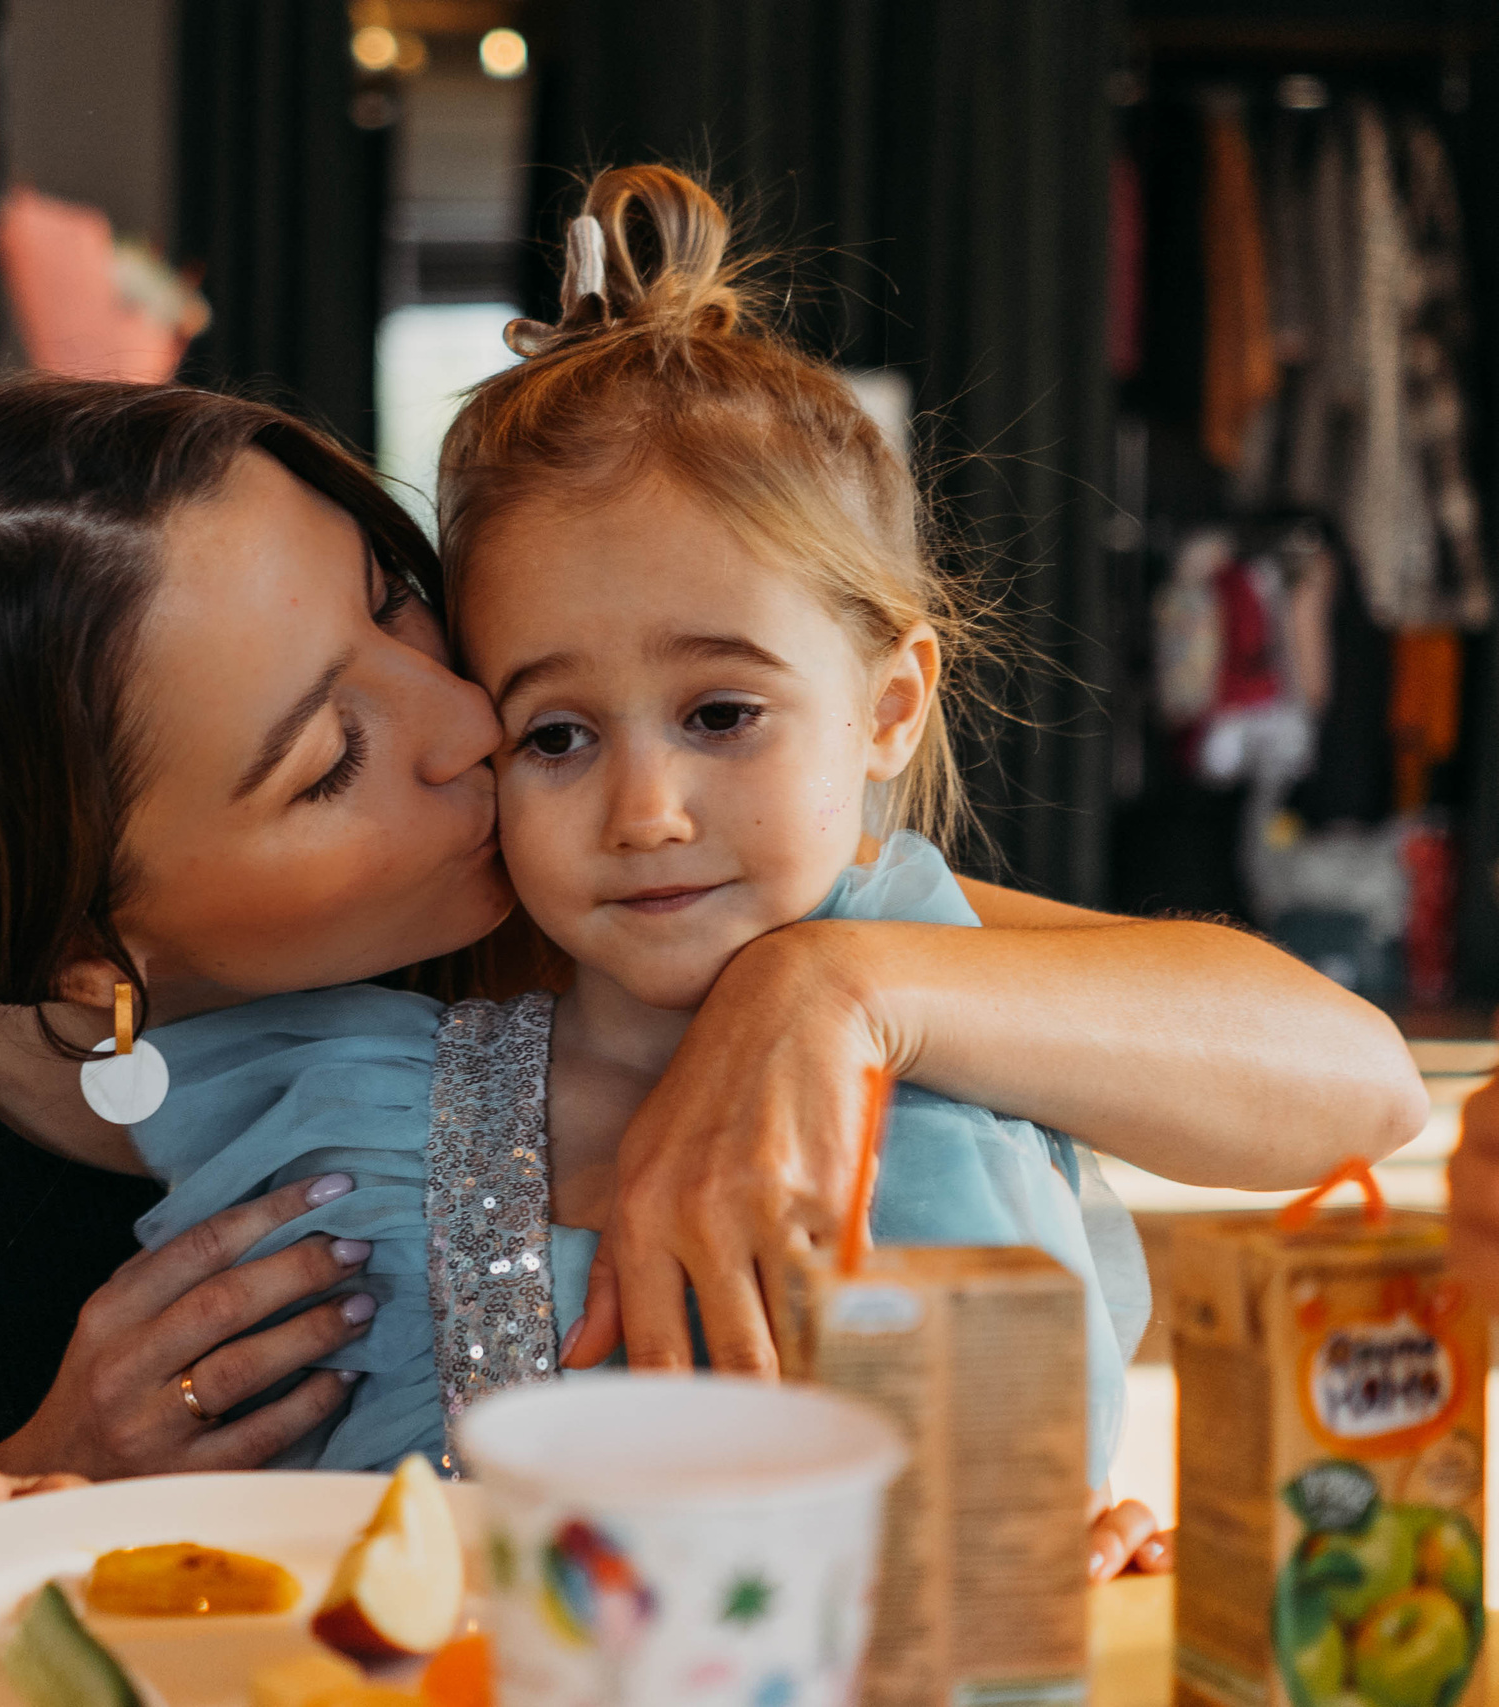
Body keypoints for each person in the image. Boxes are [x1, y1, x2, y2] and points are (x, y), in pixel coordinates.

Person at [0, 371, 1426, 1593]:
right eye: (328, 758)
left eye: (395, 607)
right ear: (99, 950)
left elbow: (1343, 1075)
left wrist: (834, 988)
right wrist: (50, 1481)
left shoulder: (590, 865)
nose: (473, 725)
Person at [127, 163, 1180, 1568]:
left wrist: (1072, 1554)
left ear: (888, 707)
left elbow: (999, 1549)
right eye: (554, 734)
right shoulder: (364, 1127)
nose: (645, 811)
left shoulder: (986, 1046)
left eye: (722, 715)